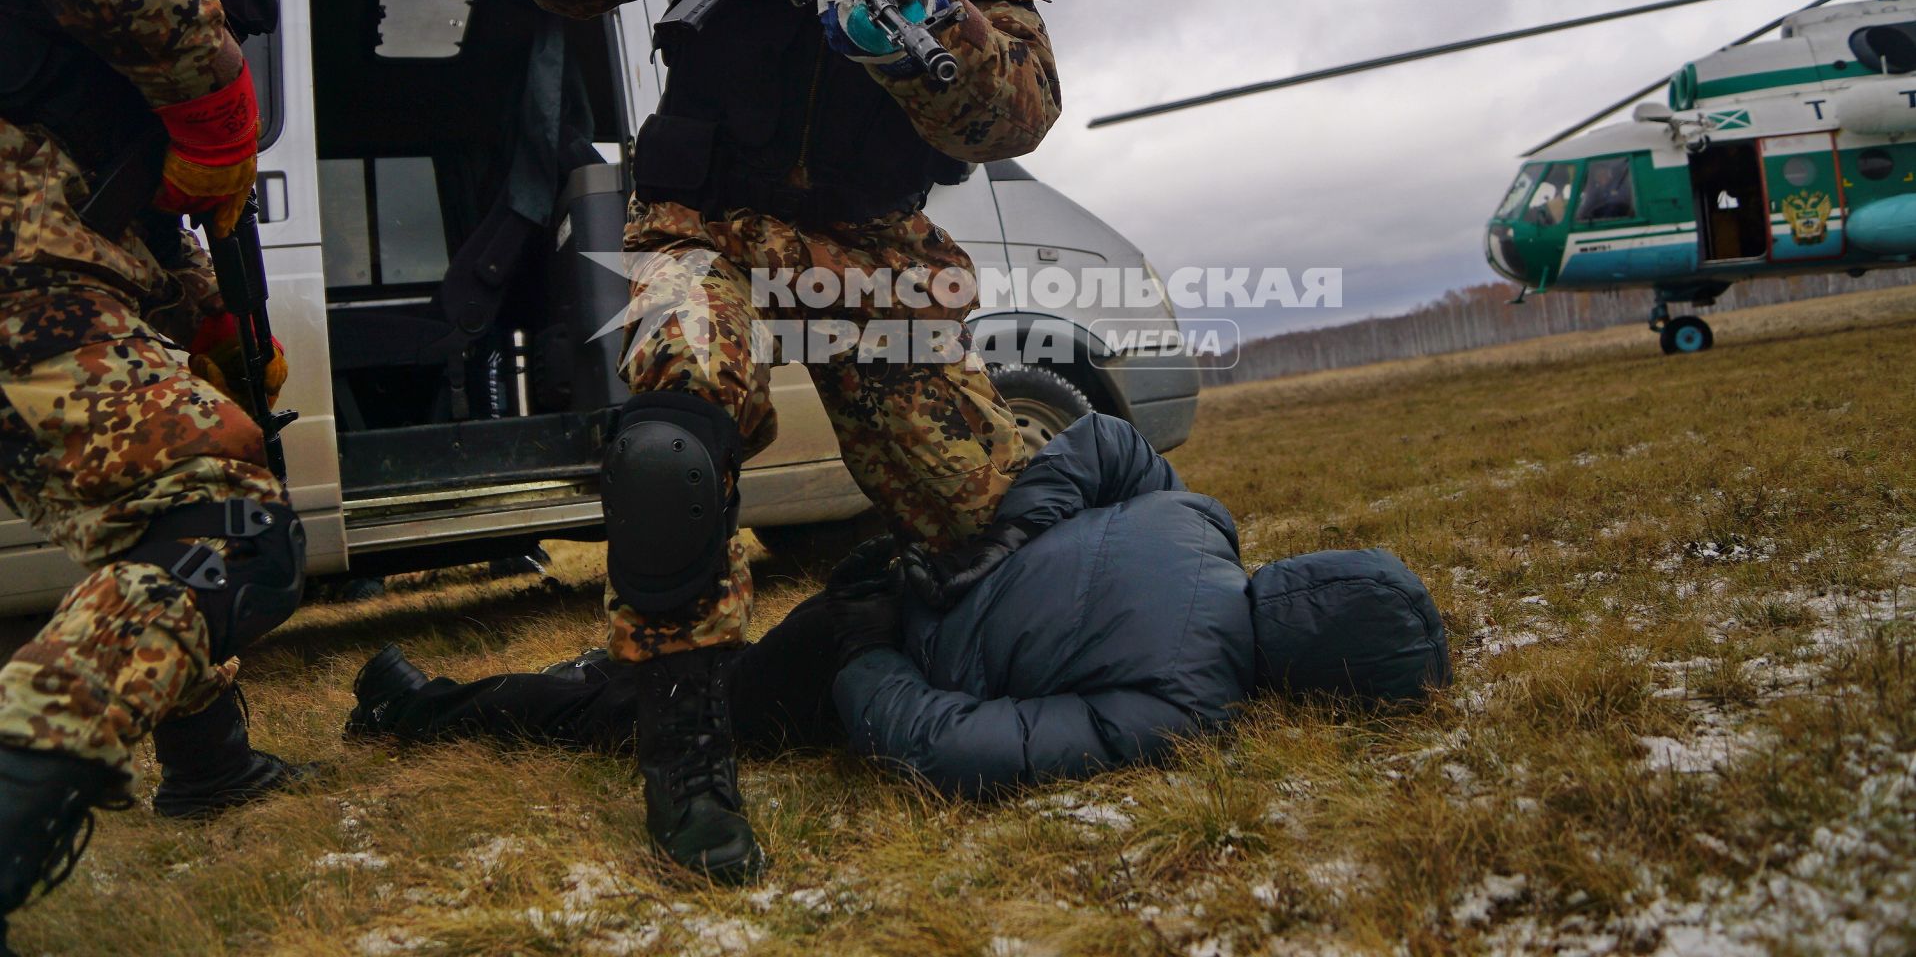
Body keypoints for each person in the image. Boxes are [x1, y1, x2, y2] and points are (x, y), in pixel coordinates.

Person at [511, 0, 1060, 881]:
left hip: (869, 247)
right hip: (699, 222)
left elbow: (1020, 108)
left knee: (995, 518)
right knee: (673, 433)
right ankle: (687, 757)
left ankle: (899, 639)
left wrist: (926, 35)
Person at [346, 415, 1451, 799]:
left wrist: (1003, 532)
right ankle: (421, 708)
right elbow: (955, 743)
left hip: (892, 582)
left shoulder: (1198, 523)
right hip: (869, 635)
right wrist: (873, 661)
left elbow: (1109, 444)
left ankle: (466, 697)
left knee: (661, 685)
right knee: (642, 710)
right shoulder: (1187, 701)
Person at [0, 0, 356, 941]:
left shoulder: (76, 33)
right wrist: (216, 110)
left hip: (56, 263)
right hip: (21, 268)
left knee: (150, 528)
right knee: (230, 525)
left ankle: (211, 764)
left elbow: (129, 195)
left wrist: (204, 316)